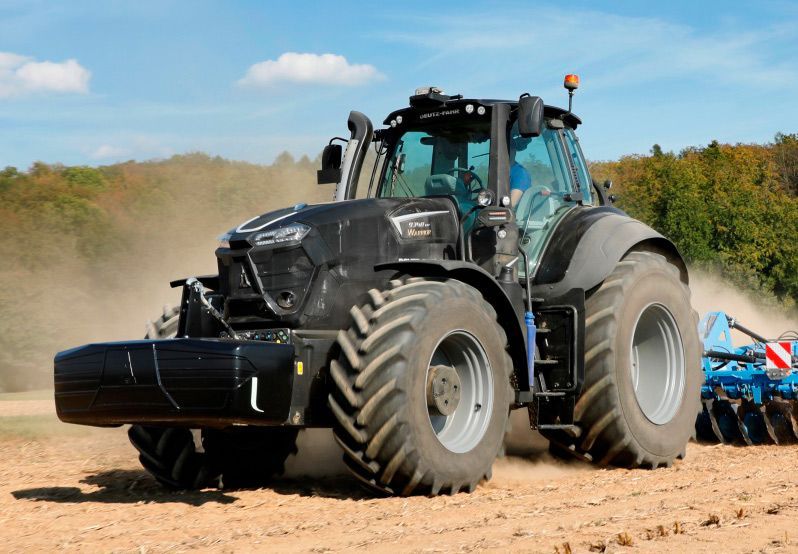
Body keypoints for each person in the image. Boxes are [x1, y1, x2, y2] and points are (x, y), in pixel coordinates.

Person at [509, 135, 532, 207]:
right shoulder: (496, 172)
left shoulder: (520, 173)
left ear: (514, 151)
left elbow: (511, 204)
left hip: (515, 216)